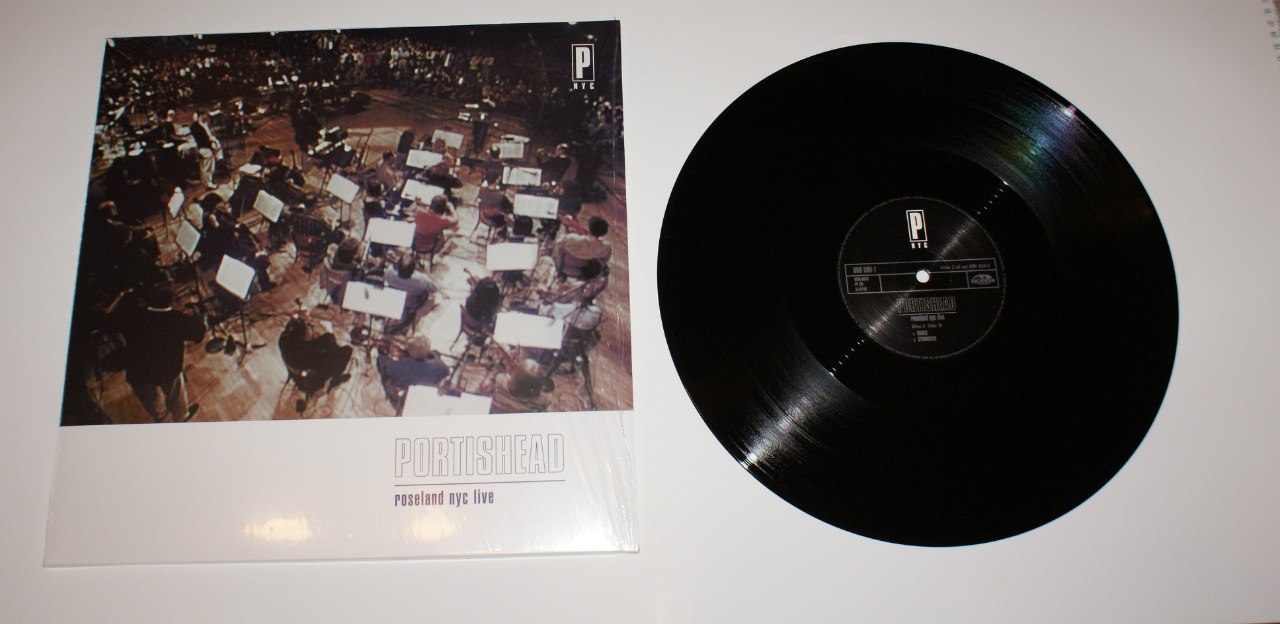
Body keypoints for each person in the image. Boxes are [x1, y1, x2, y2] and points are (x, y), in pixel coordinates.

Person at [106, 283, 205, 423]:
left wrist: (121, 295)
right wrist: (201, 319)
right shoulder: (178, 319)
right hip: (168, 369)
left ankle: (159, 416)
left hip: (139, 371)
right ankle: (181, 417)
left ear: (147, 301)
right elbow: (200, 334)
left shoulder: (133, 317)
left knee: (149, 399)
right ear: (171, 301)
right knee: (176, 395)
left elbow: (106, 320)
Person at [278, 315, 353, 395]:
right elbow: (324, 354)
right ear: (302, 336)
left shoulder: (284, 338)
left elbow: (310, 347)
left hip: (296, 374)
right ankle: (335, 379)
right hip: (310, 382)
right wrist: (330, 336)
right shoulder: (308, 352)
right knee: (347, 350)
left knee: (328, 338)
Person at [375, 337, 450, 411]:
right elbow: (435, 356)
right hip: (427, 401)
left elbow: (384, 366)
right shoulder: (441, 366)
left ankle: (396, 404)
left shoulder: (401, 367)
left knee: (387, 379)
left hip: (406, 403)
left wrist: (381, 354)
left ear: (410, 351)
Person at [188, 110, 221, 189]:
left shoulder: (195, 126)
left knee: (203, 167)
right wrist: (213, 146)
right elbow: (205, 139)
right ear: (200, 116)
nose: (206, 117)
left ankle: (205, 182)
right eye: (204, 115)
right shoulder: (200, 126)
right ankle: (208, 183)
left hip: (202, 148)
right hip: (206, 149)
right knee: (208, 167)